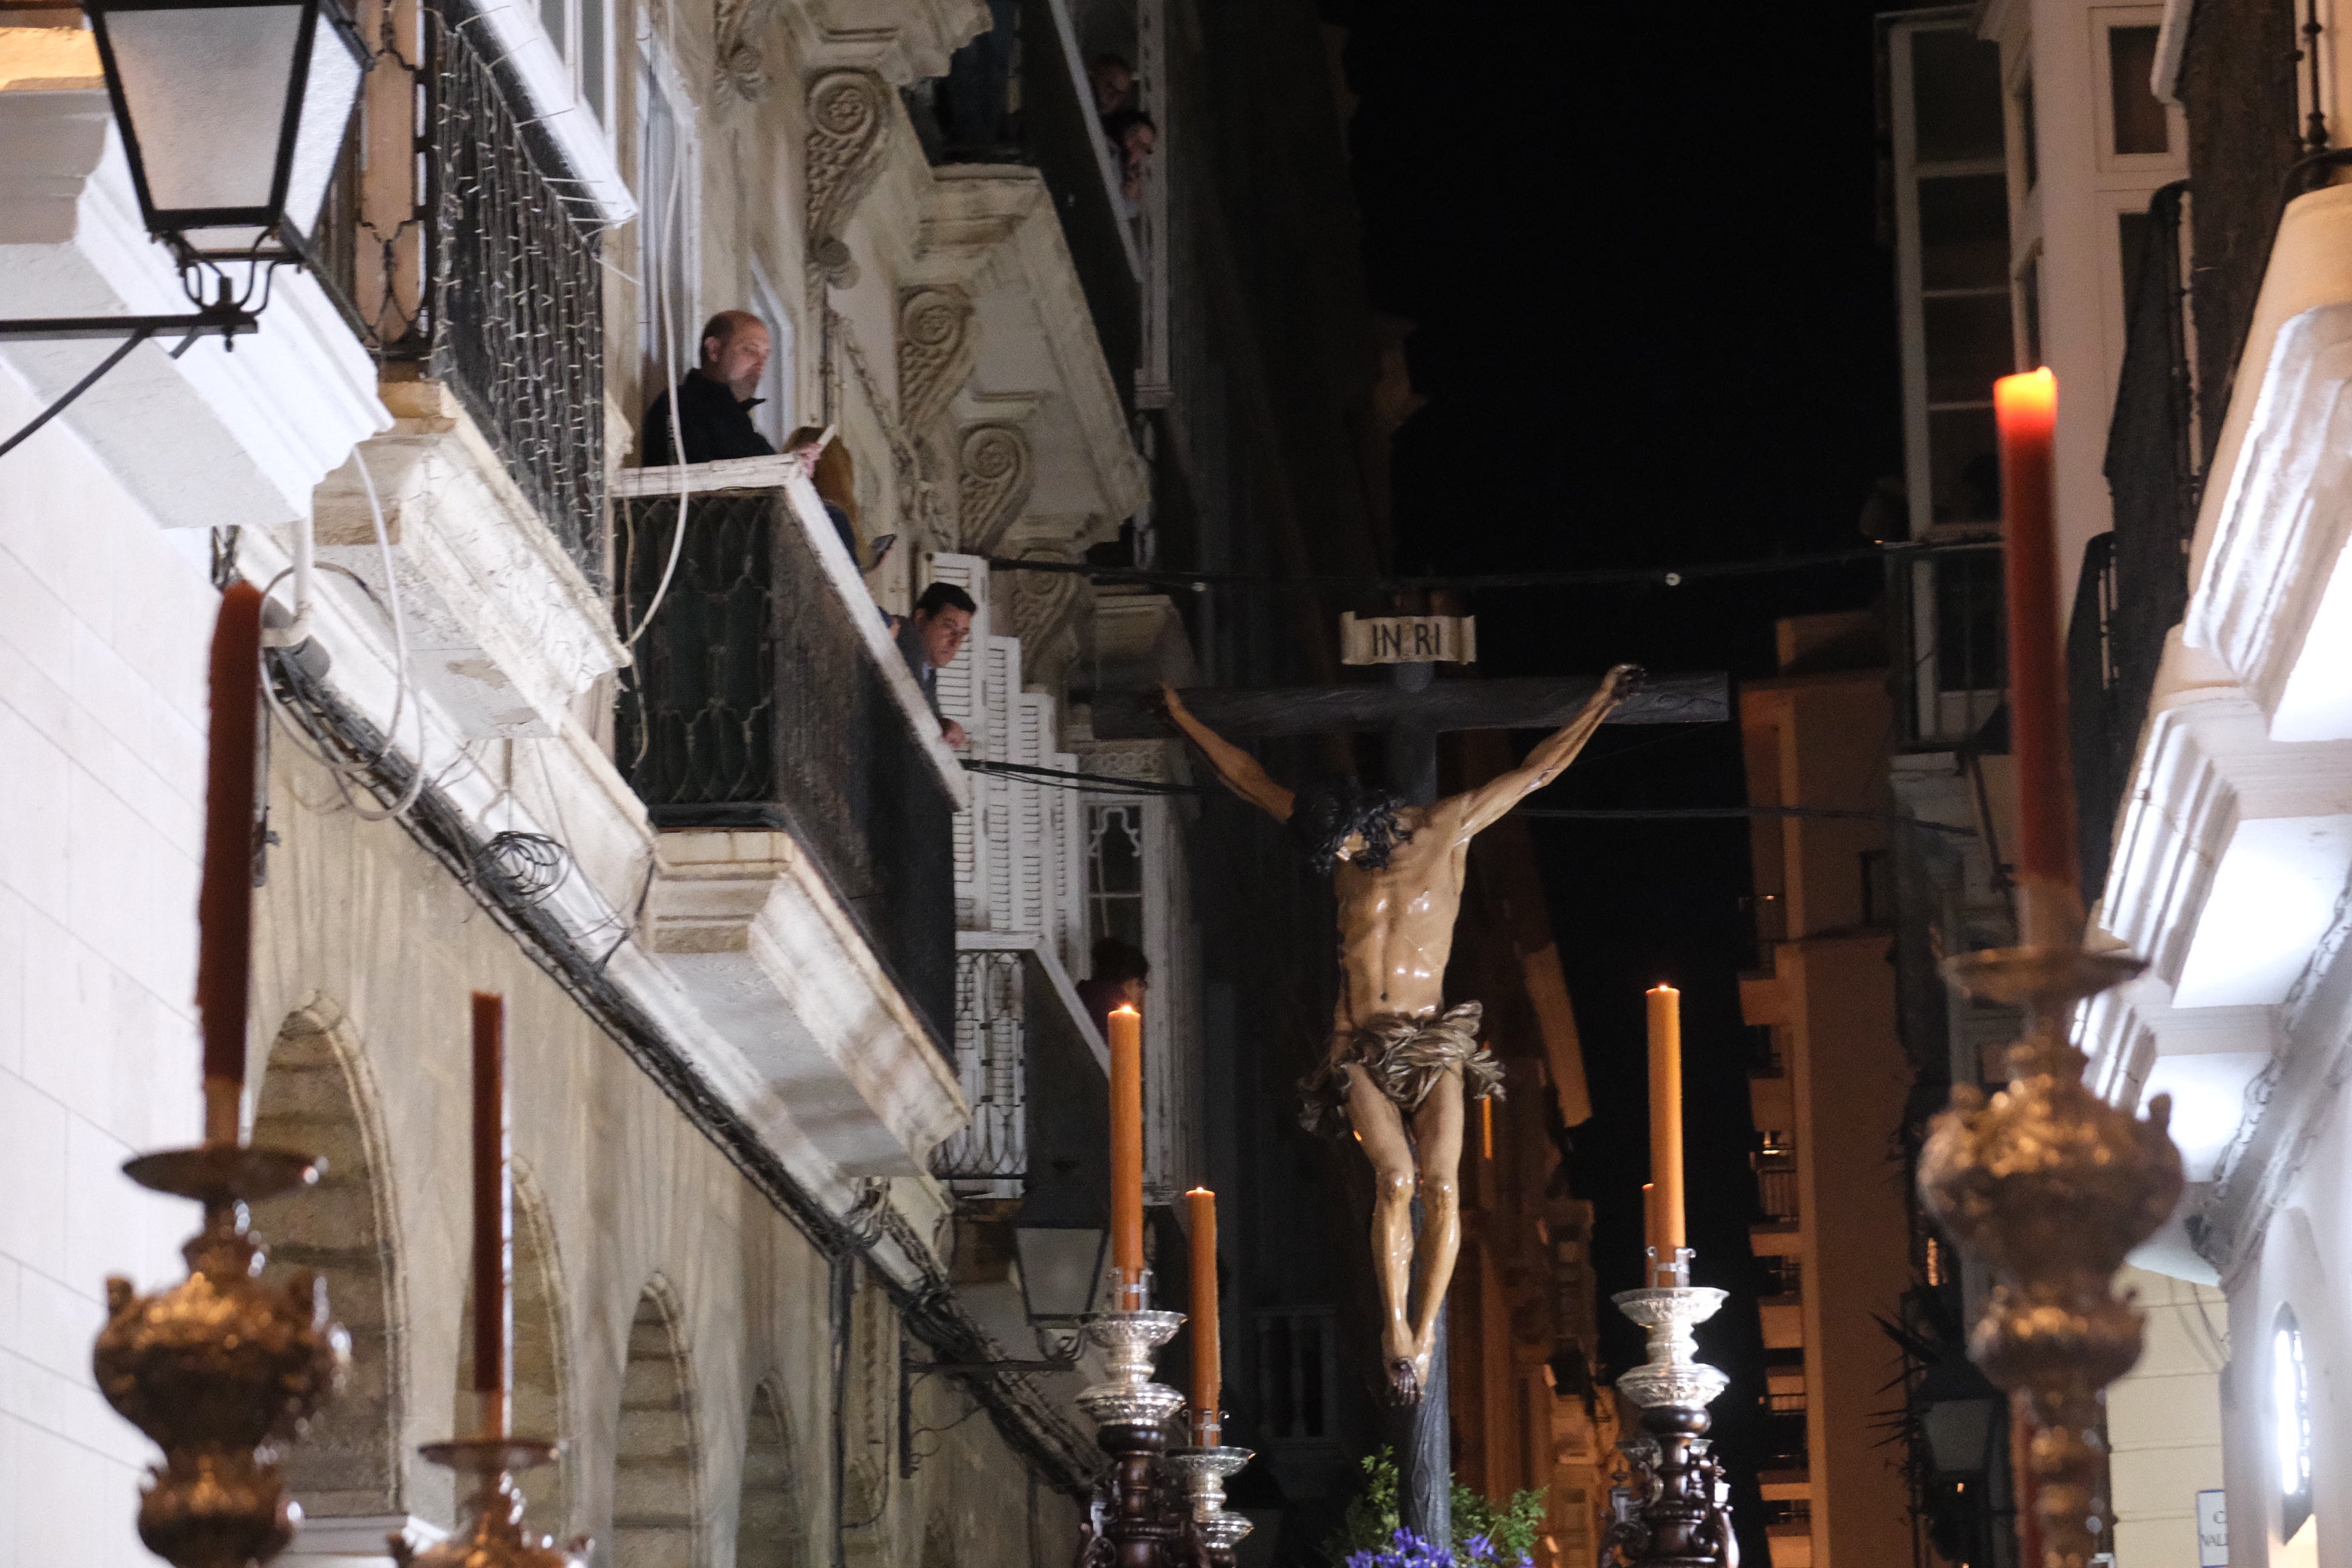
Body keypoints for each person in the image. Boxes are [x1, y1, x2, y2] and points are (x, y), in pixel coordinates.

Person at [1160, 663, 1643, 1404]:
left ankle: (1426, 1328)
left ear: (1369, 817)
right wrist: (1180, 716)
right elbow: (1247, 778)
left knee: (1444, 1185)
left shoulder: (1447, 826)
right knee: (1394, 1179)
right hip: (1358, 1042)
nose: (1344, 860)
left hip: (1429, 1038)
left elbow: (1536, 772)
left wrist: (1602, 703)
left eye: (1351, 845)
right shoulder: (1337, 840)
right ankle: (1397, 1334)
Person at [641, 311, 775, 466]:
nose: (760, 364)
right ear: (714, 350)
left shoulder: (739, 418)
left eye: (765, 355)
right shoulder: (679, 406)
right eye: (750, 350)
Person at [896, 582, 975, 749]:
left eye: (962, 635)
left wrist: (945, 725)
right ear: (921, 620)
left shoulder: (928, 672)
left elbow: (931, 716)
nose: (955, 642)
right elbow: (915, 708)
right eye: (949, 628)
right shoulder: (905, 634)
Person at [1076, 936, 1150, 1041]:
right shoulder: (1122, 1019)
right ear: (1130, 982)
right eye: (1140, 984)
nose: (1142, 991)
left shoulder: (1078, 998)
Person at [1101, 108, 1157, 216]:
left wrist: (1130, 195)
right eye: (1133, 138)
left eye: (1144, 148)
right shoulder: (1111, 155)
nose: (1136, 149)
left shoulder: (1120, 168)